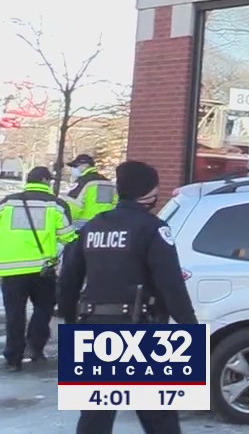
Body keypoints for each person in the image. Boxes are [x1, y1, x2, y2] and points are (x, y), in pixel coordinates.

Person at [58, 160, 196, 434]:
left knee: (95, 416)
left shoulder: (93, 227)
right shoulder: (153, 229)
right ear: (148, 191)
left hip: (93, 328)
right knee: (159, 418)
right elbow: (170, 285)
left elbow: (69, 278)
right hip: (141, 329)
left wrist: (70, 321)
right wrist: (189, 327)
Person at [0, 166, 76, 371]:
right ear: (46, 181)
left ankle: (13, 358)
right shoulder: (56, 205)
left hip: (11, 269)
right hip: (43, 270)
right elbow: (68, 236)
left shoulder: (8, 202)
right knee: (43, 309)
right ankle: (35, 346)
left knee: (15, 313)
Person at [59, 154, 117, 229]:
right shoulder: (108, 183)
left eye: (75, 166)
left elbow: (73, 205)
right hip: (107, 225)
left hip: (85, 225)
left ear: (85, 165)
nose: (73, 169)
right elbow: (115, 204)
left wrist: (64, 222)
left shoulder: (82, 182)